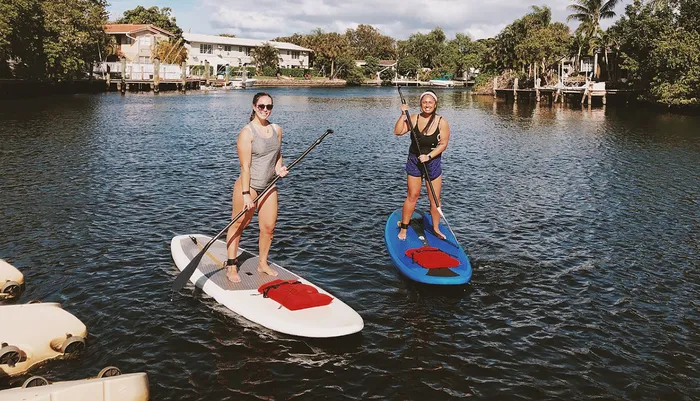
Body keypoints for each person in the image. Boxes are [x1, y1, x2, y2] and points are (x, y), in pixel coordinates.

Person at [225, 92, 289, 282]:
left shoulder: (277, 129)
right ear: (254, 107)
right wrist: (246, 194)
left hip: (269, 185)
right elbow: (245, 167)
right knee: (238, 224)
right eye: (261, 106)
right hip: (249, 186)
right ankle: (231, 266)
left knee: (268, 227)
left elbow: (277, 154)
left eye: (269, 107)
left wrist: (279, 168)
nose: (265, 110)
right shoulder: (247, 132)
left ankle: (262, 263)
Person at [393, 90, 451, 241]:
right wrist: (402, 114)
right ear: (420, 104)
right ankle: (404, 227)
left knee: (435, 199)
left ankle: (436, 228)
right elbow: (398, 132)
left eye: (430, 102)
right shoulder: (413, 118)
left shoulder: (441, 121)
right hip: (415, 160)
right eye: (424, 102)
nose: (427, 105)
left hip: (432, 161)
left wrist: (429, 156)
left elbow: (443, 144)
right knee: (413, 195)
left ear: (435, 104)